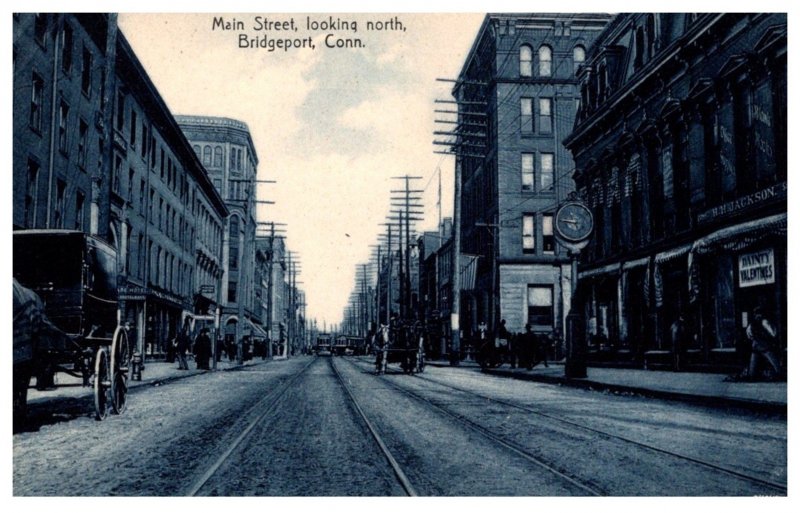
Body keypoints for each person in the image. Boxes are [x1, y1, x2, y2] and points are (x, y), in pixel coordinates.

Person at [746, 306, 782, 380]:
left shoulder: (752, 324)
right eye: (757, 314)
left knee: (753, 369)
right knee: (774, 363)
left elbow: (749, 335)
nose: (758, 316)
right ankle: (779, 373)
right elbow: (774, 334)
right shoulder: (764, 322)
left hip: (758, 346)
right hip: (763, 346)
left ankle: (753, 374)